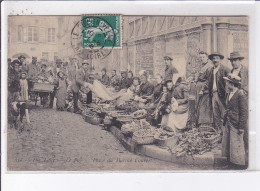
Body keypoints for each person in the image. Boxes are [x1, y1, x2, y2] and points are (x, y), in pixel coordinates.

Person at [222, 73, 248, 169]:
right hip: (229, 121)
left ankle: (238, 165)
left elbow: (244, 112)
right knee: (229, 144)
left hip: (236, 123)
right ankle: (230, 163)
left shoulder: (240, 94)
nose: (227, 85)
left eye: (228, 83)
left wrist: (241, 126)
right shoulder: (229, 93)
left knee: (237, 144)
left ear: (232, 84)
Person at [206, 52, 230, 132]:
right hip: (213, 95)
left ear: (220, 59)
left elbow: (229, 84)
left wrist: (227, 95)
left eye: (216, 58)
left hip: (222, 95)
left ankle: (226, 133)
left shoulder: (225, 69)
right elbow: (208, 83)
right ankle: (220, 132)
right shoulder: (210, 70)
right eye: (213, 58)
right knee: (216, 115)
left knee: (224, 115)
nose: (215, 60)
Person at [196, 51, 214, 128]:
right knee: (200, 106)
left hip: (205, 90)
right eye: (200, 57)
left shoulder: (209, 67)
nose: (202, 59)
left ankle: (206, 125)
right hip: (200, 88)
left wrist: (202, 90)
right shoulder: (202, 66)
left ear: (207, 57)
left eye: (203, 57)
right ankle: (200, 124)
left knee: (205, 107)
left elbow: (208, 80)